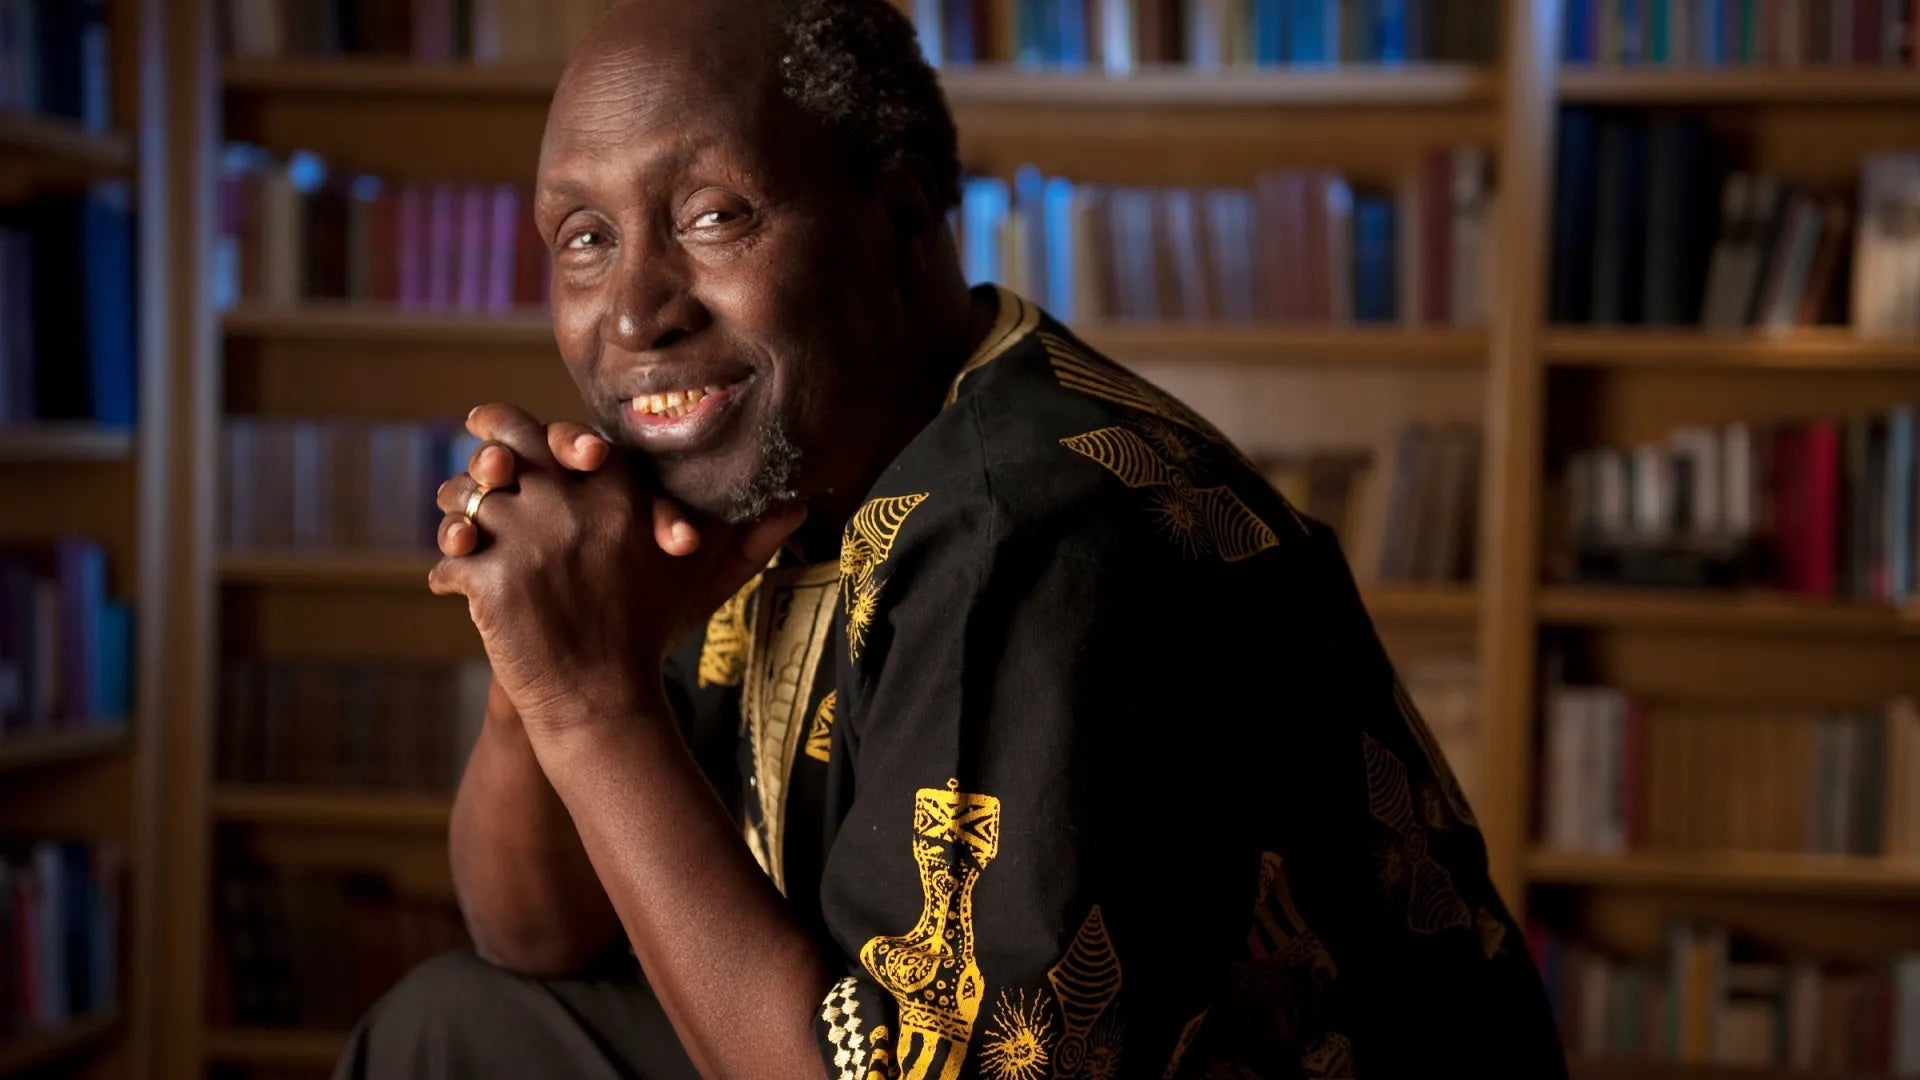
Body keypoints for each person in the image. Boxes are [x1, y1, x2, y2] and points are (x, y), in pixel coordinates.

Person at [331, 1, 1569, 1077]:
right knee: (453, 1030)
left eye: (713, 216)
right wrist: (538, 671)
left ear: (903, 218)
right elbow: (533, 937)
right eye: (586, 239)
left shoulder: (1027, 537)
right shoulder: (781, 469)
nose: (637, 311)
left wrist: (590, 706)